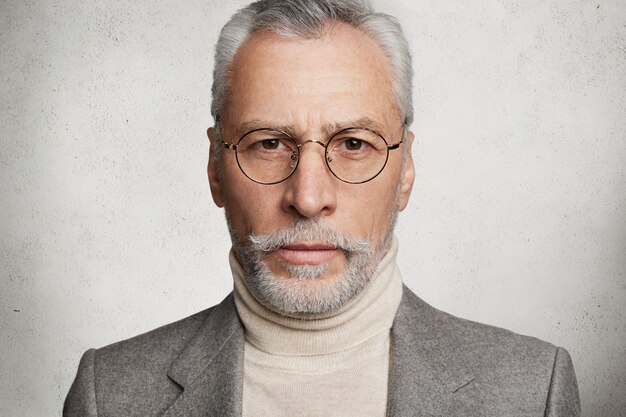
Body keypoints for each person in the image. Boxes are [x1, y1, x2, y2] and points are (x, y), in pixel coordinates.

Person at [64, 0, 581, 416]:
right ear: (215, 169)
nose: (309, 198)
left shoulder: (533, 391)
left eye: (354, 144)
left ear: (405, 173)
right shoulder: (107, 394)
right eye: (268, 143)